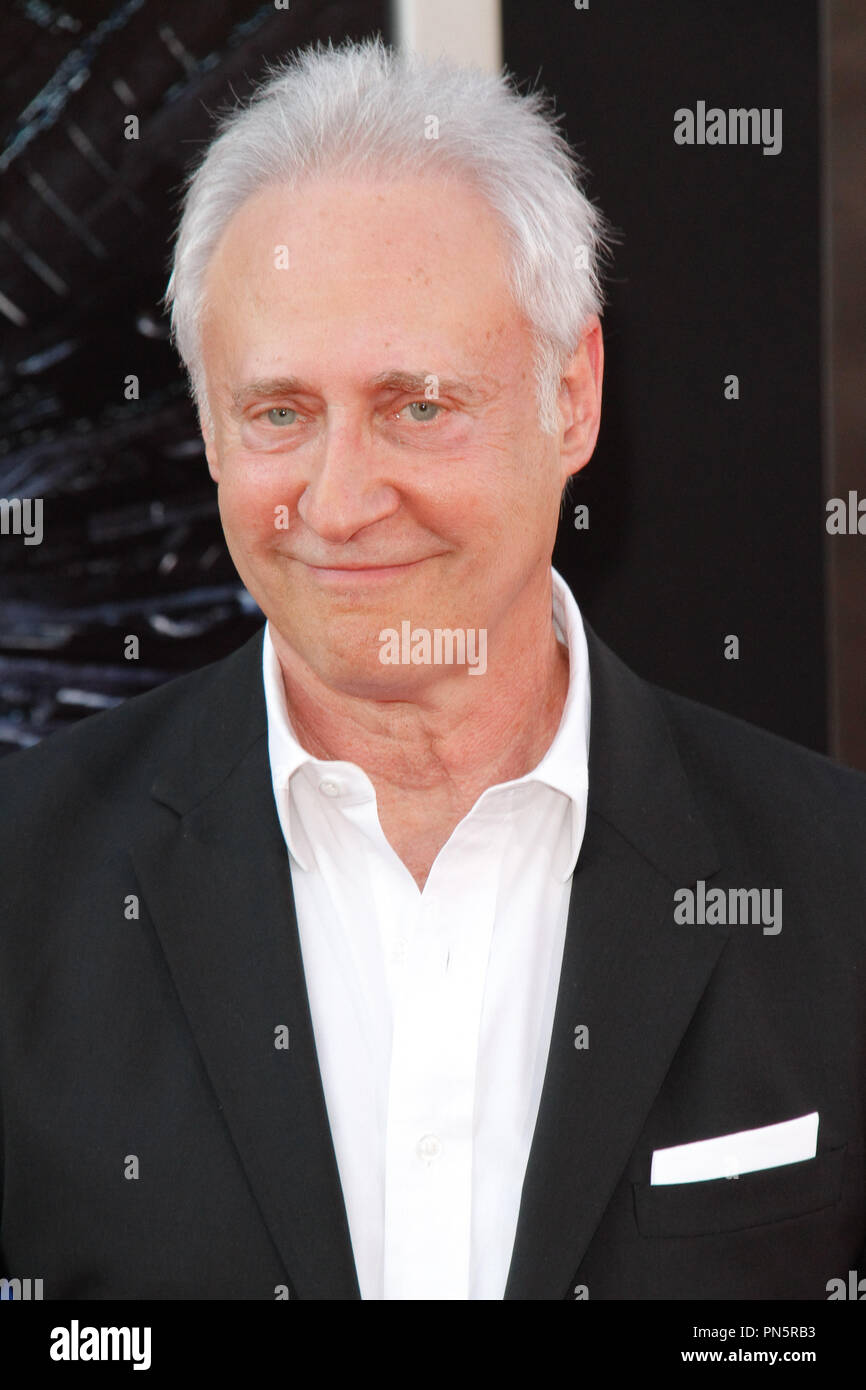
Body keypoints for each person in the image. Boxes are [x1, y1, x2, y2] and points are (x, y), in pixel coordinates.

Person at [0, 36, 864, 1302]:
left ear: (570, 398)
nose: (341, 502)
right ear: (208, 430)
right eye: (280, 413)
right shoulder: (25, 888)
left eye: (417, 405)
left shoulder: (834, 888)